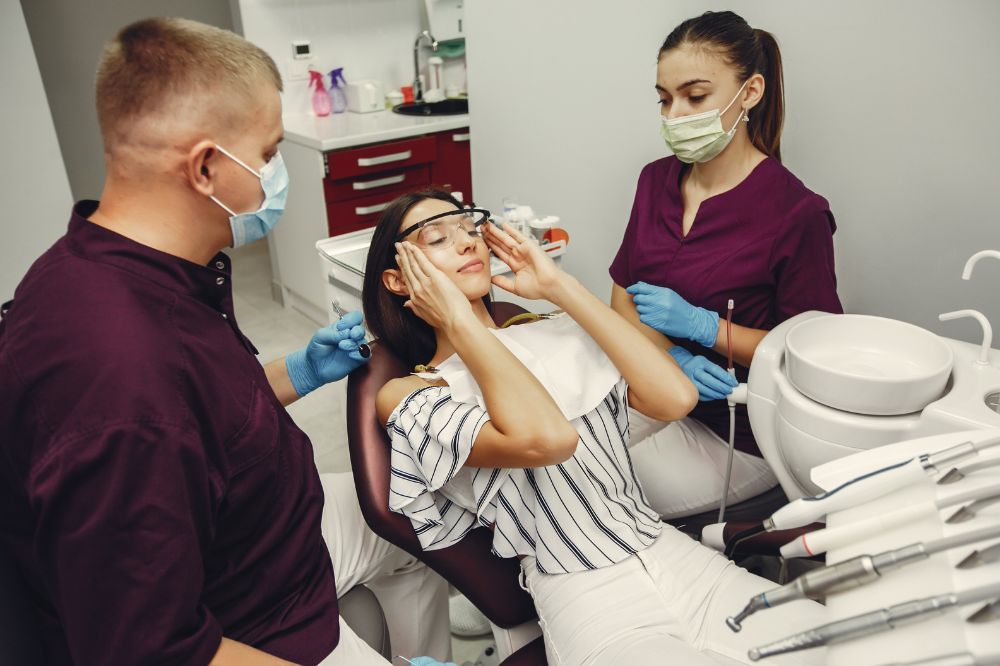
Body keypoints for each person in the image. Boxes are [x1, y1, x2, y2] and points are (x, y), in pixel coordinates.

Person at [0, 18, 452, 666]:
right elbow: (149, 649)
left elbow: (195, 416)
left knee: (421, 517)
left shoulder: (125, 265)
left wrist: (297, 371)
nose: (274, 172)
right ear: (208, 166)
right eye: (268, 154)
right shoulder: (116, 373)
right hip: (255, 620)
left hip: (267, 540)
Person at [362, 188, 828, 665]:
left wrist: (560, 288)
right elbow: (548, 439)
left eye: (469, 229)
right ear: (400, 281)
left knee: (841, 646)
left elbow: (675, 397)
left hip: (677, 557)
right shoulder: (413, 396)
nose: (466, 243)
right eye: (438, 237)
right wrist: (462, 324)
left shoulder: (555, 330)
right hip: (590, 599)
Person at [610, 11, 844, 518]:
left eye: (695, 97)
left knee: (593, 495)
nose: (675, 115)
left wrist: (707, 328)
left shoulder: (797, 213)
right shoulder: (655, 181)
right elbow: (621, 300)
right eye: (664, 98)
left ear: (751, 92)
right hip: (652, 387)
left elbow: (811, 355)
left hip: (738, 428)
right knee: (543, 460)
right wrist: (673, 354)